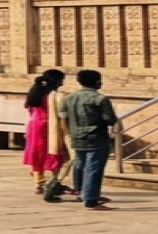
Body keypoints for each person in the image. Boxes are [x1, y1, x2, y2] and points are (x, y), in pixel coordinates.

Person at [60, 68, 118, 211]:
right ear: (97, 81)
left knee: (80, 165)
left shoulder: (68, 98)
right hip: (96, 138)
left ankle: (81, 191)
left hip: (76, 136)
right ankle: (91, 199)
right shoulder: (100, 99)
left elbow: (63, 117)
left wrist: (68, 133)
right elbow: (110, 119)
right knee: (93, 169)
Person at [23, 69, 75, 195]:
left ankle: (39, 183)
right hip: (50, 125)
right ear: (56, 81)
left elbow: (29, 109)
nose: (62, 83)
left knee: (37, 154)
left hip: (34, 125)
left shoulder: (34, 92)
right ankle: (54, 181)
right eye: (61, 80)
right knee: (54, 152)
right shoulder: (54, 95)